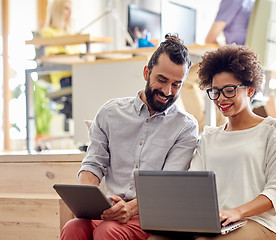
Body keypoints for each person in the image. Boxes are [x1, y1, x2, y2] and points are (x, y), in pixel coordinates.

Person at [60, 34, 199, 240]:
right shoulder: (110, 112)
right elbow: (93, 164)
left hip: (151, 213)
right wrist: (89, 201)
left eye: (176, 85)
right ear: (146, 72)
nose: (167, 91)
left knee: (107, 232)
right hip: (110, 209)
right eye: (161, 80)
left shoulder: (185, 127)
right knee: (73, 228)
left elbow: (167, 184)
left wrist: (131, 208)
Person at [191, 44, 276, 240]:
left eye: (229, 90)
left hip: (258, 223)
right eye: (215, 91)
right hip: (216, 223)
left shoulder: (273, 130)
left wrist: (236, 212)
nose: (221, 98)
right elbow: (193, 185)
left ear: (250, 90)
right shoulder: (209, 137)